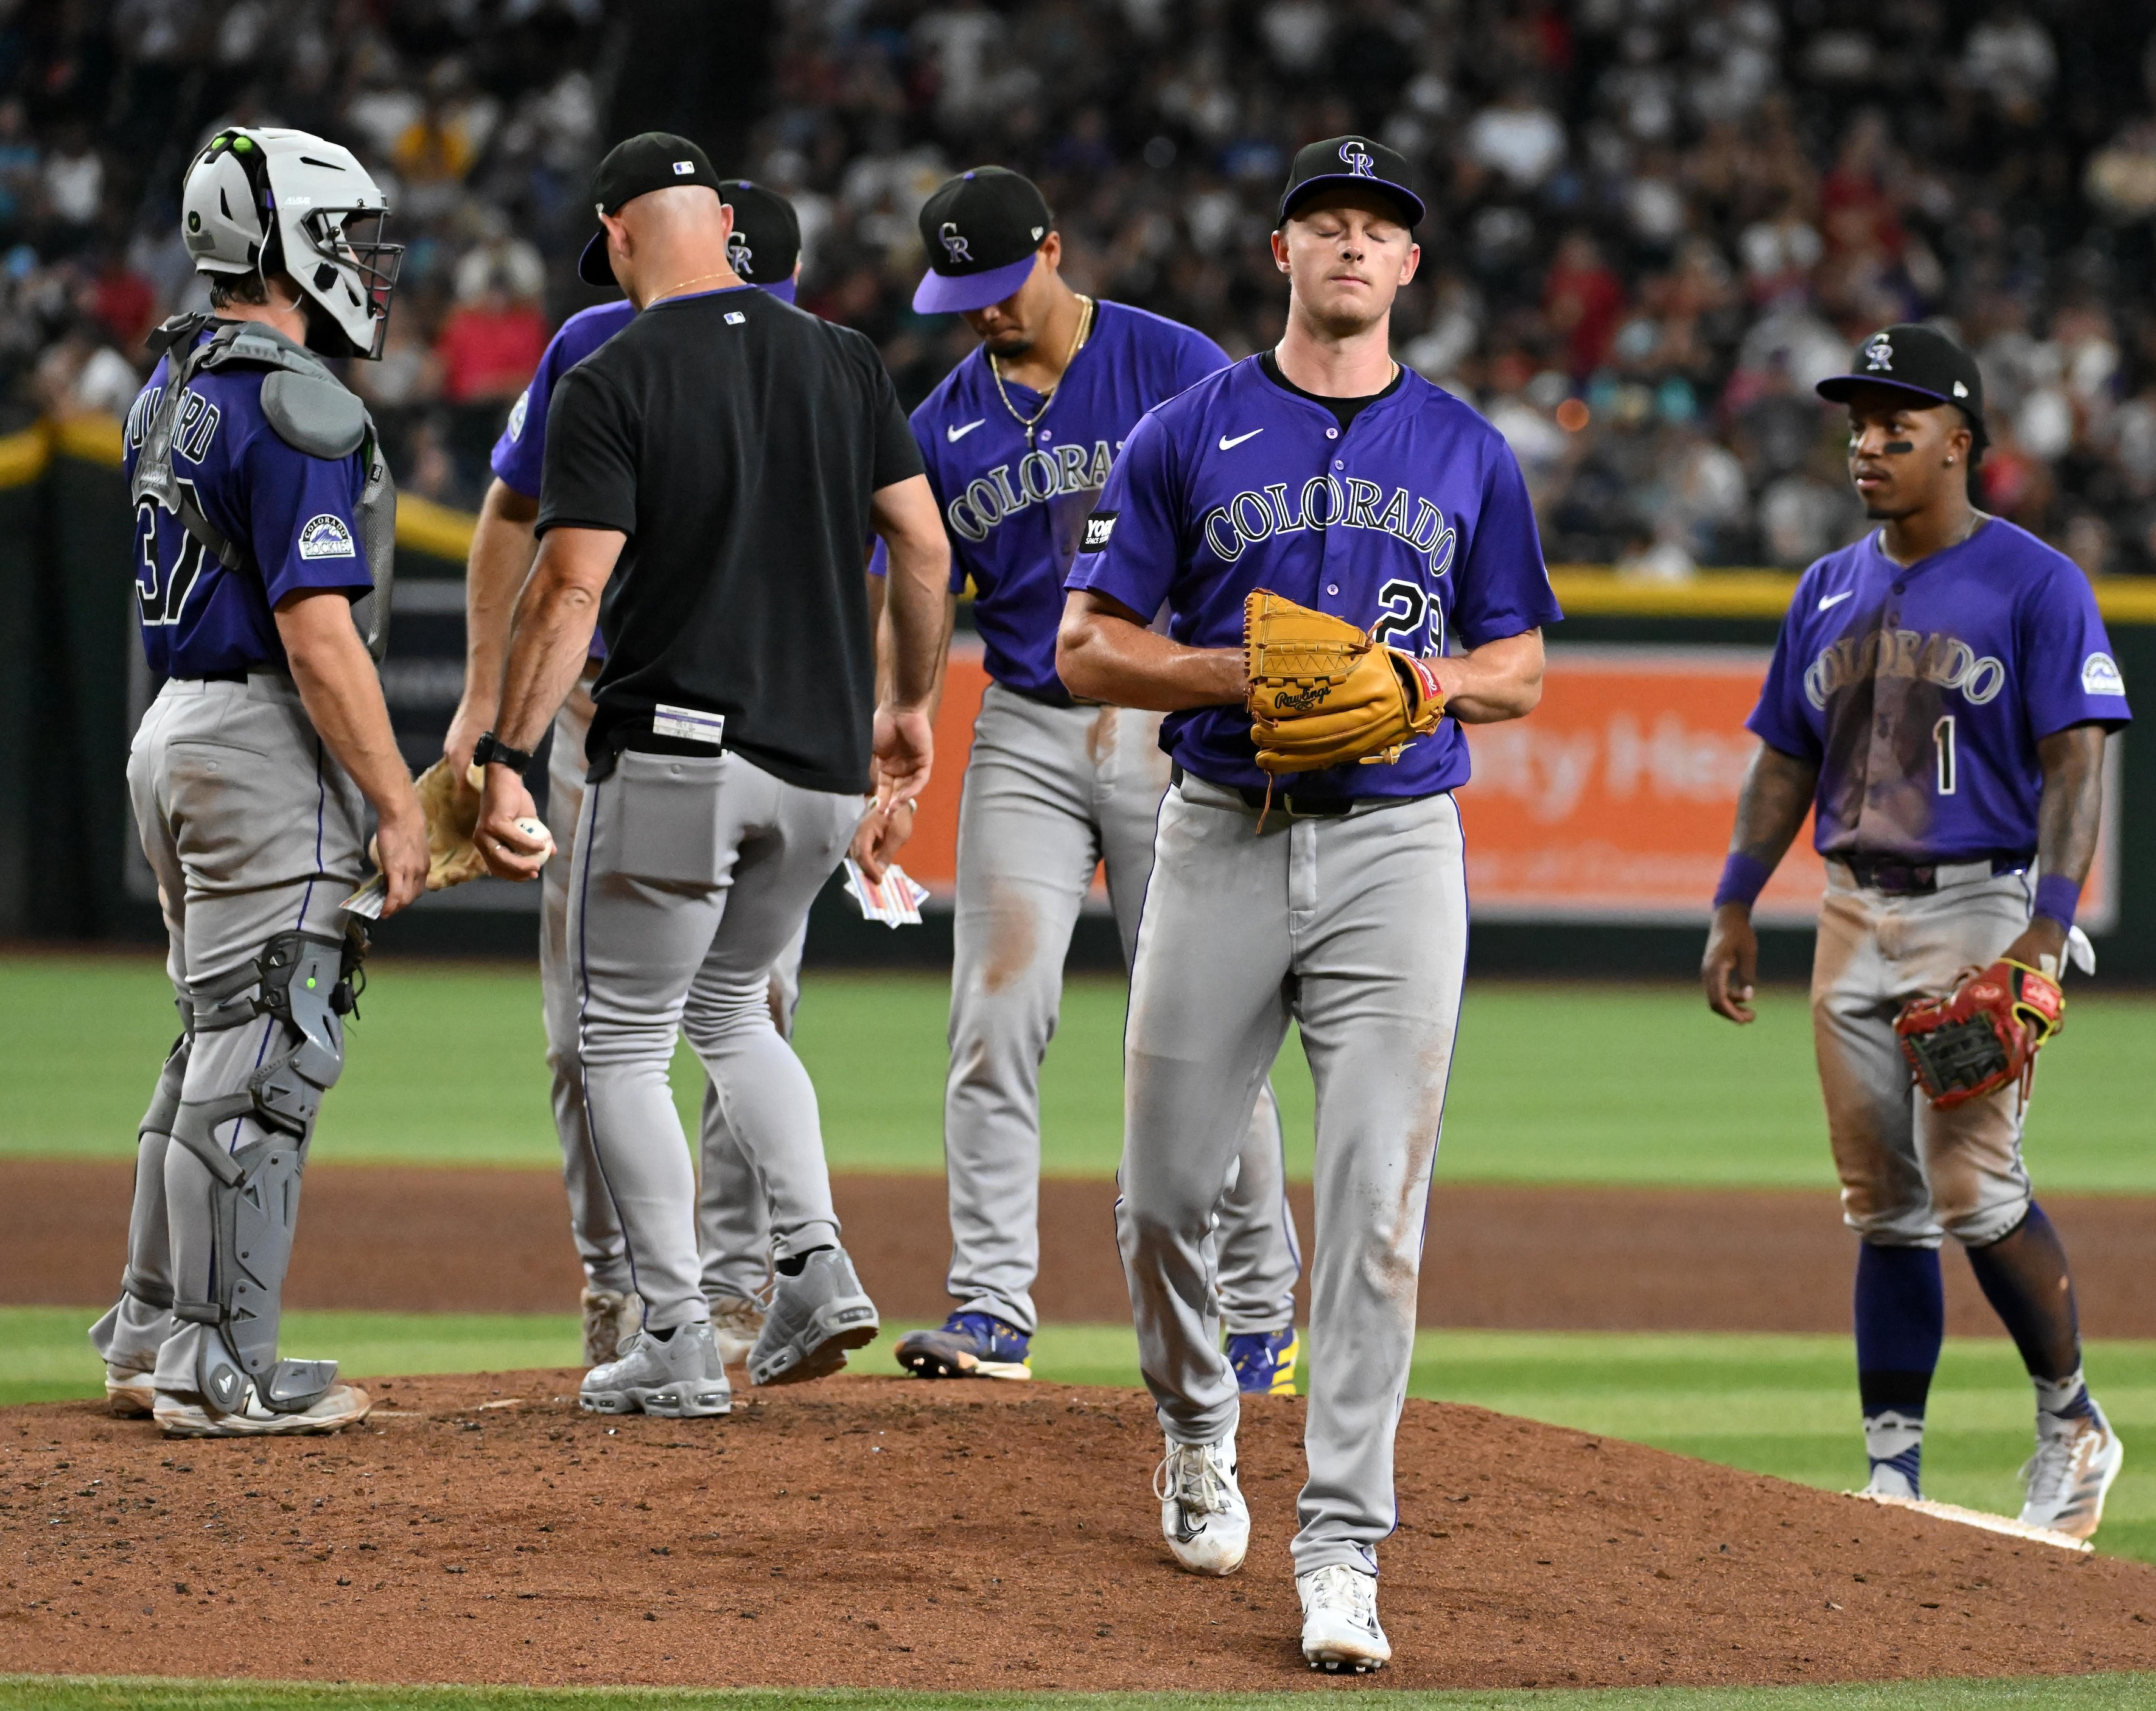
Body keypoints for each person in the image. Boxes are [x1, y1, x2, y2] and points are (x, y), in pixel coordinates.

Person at [1059, 135, 1556, 1674]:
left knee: (1376, 1213)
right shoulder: (1183, 430)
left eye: (1378, 230)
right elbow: (1085, 647)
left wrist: (1424, 680)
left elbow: (1521, 666)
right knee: (1158, 1195)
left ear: (1410, 268)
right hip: (1216, 830)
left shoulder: (1468, 449)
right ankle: (1198, 1424)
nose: (1351, 247)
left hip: (1400, 850)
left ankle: (1342, 1545)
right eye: (1325, 223)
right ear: (1282, 252)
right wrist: (1242, 669)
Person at [468, 133, 953, 1417]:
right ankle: (815, 1257)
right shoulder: (845, 360)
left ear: (622, 235)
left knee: (619, 1041)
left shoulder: (613, 371)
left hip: (678, 756)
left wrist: (509, 754)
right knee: (734, 1008)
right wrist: (906, 703)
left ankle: (675, 1333)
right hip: (816, 771)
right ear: (729, 228)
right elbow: (921, 544)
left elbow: (570, 583)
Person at [1699, 324, 2133, 1539]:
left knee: (1971, 1178)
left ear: (1960, 442)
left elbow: (2074, 763)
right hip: (1851, 907)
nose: (1869, 444)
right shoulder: (1825, 586)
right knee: (1878, 1197)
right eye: (1859, 425)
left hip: (1979, 901)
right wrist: (1735, 898)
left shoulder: (2037, 580)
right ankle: (1892, 1469)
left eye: (1898, 425)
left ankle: (2071, 1418)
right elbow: (1784, 758)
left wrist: (2046, 926)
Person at [880, 166, 1303, 1391]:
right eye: (962, 292)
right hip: (1023, 720)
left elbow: (1256, 512)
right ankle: (992, 1304)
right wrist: (898, 711)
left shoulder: (1170, 363)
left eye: (1001, 284)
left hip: (1163, 721)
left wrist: (1223, 680)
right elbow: (912, 579)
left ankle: (1260, 1312)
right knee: (994, 1013)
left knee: (1207, 1027)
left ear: (1054, 249)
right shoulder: (945, 421)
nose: (983, 311)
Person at [444, 181, 811, 1373]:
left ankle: (741, 1283)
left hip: (765, 725)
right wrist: (486, 697)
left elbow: (879, 555)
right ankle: (618, 1287)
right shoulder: (592, 347)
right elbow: (510, 515)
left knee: (746, 1014)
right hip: (603, 718)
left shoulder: (812, 364)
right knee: (581, 1035)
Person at [87, 125, 419, 1437]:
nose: (363, 268)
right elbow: (319, 632)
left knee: (206, 1042)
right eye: (341, 240)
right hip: (257, 740)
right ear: (276, 244)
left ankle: (153, 1327)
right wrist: (397, 799)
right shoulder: (301, 403)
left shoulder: (167, 385)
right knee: (268, 1049)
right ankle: (219, 1364)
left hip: (172, 727)